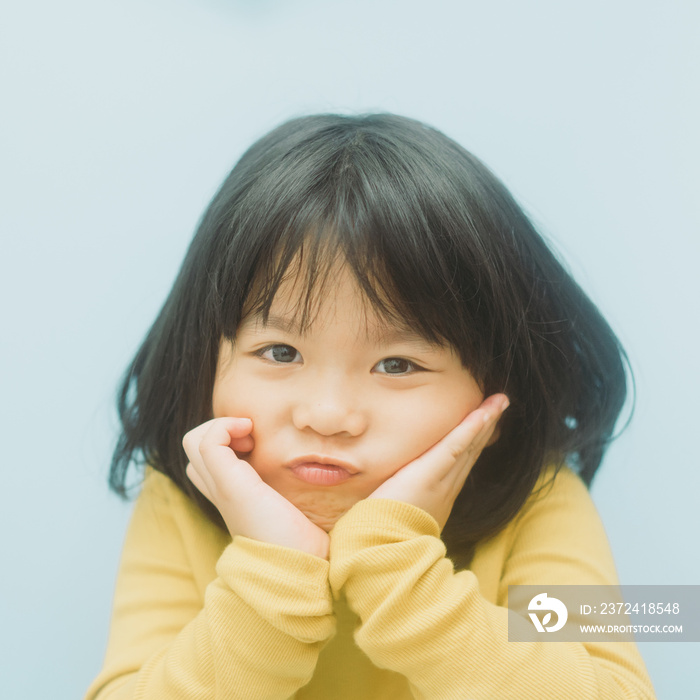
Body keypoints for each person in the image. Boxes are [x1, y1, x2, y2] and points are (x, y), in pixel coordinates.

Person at [85, 113, 655, 699]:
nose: (328, 415)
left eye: (398, 365)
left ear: (495, 392)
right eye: (280, 351)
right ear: (201, 356)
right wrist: (271, 582)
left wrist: (399, 574)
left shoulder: (541, 502)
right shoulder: (182, 497)